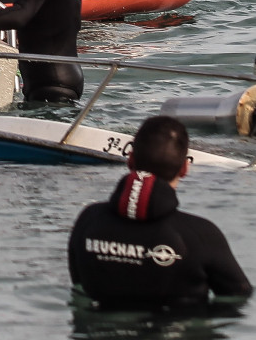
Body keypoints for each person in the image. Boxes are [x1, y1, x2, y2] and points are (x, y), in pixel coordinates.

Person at [68, 115, 252, 310]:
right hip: (176, 332)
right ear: (184, 168)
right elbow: (238, 298)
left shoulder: (89, 220)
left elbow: (79, 287)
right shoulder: (202, 235)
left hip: (98, 336)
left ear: (130, 160)